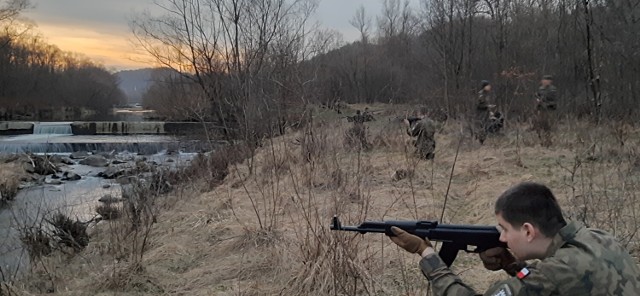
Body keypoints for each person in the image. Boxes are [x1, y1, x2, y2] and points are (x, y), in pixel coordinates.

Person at [389, 182, 640, 295]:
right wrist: (514, 267)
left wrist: (428, 256)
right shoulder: (597, 237)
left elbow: (548, 281)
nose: (501, 236)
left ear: (529, 232)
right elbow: (543, 286)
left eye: (505, 228)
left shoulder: (556, 272)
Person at [534, 75, 557, 147]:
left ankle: (548, 141)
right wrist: (538, 102)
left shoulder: (552, 90)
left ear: (550, 81)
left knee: (548, 126)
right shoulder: (540, 89)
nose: (544, 81)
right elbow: (537, 96)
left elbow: (553, 101)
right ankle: (541, 141)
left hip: (549, 110)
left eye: (546, 80)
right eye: (543, 80)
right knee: (540, 125)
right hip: (541, 110)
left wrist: (545, 104)